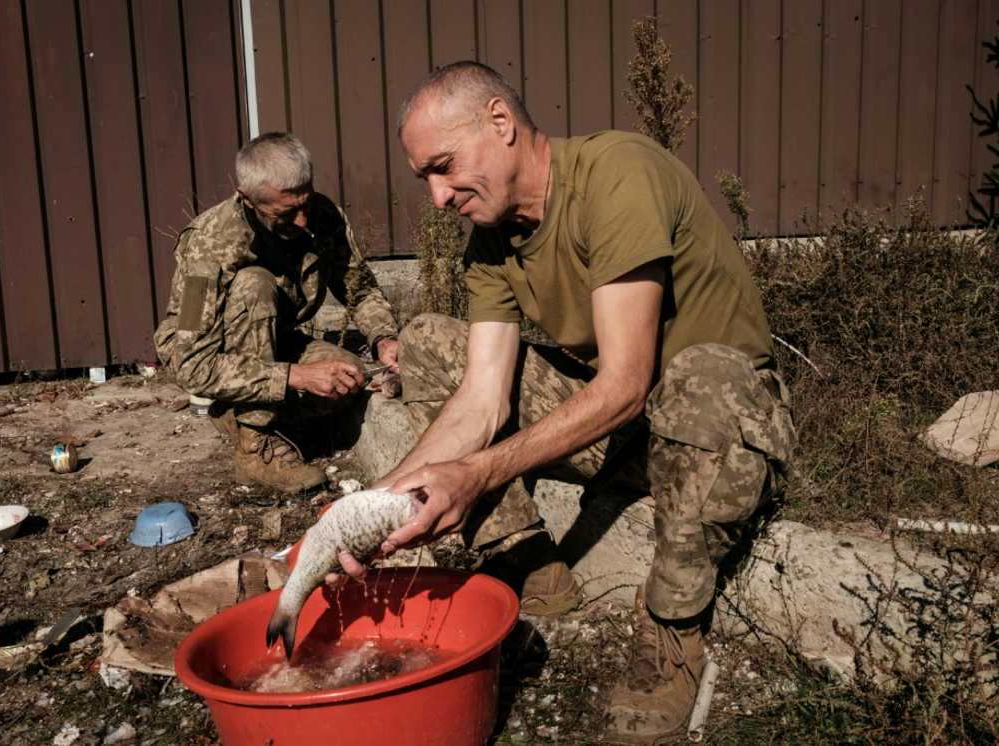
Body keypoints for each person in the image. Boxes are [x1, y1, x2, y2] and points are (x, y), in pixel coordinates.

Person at [339, 61, 796, 744]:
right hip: (633, 427)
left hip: (720, 420)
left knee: (703, 378)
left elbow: (626, 383)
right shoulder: (490, 241)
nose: (436, 197)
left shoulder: (617, 174)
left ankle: (671, 632)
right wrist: (370, 508)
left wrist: (479, 473)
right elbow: (481, 400)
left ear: (501, 122)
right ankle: (526, 558)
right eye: (424, 179)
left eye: (443, 166)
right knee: (432, 341)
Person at [154, 133, 400, 493]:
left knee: (351, 379)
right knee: (254, 285)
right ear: (248, 199)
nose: (303, 221)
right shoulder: (209, 245)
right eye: (286, 213)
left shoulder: (322, 216)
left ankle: (233, 412)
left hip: (277, 341)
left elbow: (358, 289)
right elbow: (192, 363)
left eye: (306, 203)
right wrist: (297, 377)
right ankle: (255, 448)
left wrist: (384, 337)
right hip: (214, 353)